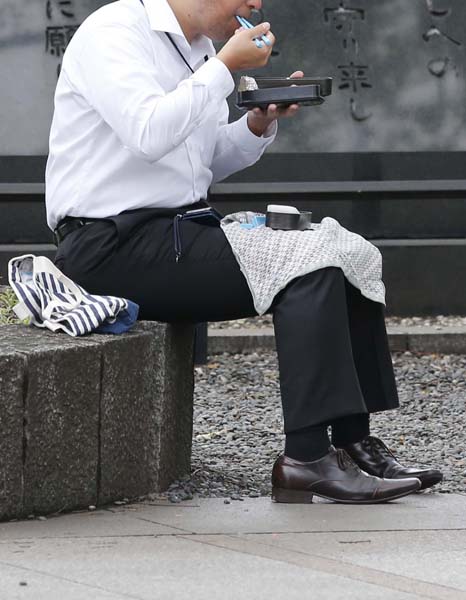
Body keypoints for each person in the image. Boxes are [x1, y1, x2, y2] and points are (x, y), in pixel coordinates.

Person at [46, 0, 443, 504]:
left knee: (343, 250)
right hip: (109, 247)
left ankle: (352, 443)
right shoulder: (114, 31)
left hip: (177, 232)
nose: (256, 4)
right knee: (305, 263)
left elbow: (199, 161)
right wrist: (224, 67)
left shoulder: (198, 49)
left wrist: (256, 123)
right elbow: (148, 133)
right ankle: (305, 458)